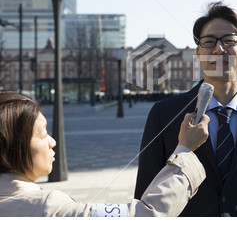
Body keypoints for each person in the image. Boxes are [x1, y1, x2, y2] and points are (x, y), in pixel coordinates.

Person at [134, 2, 237, 216]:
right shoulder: (164, 115)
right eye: (209, 42)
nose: (219, 49)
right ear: (199, 53)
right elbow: (145, 195)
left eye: (229, 40)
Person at [0, 92, 209, 217]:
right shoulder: (46, 208)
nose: (52, 142)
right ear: (12, 145)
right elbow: (144, 217)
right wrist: (184, 150)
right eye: (43, 133)